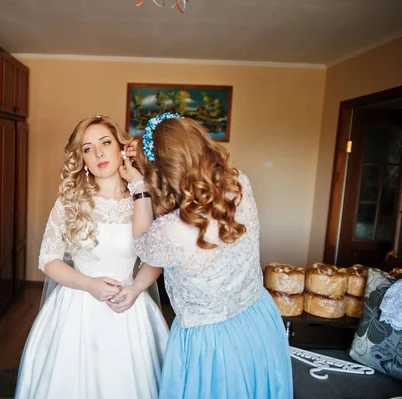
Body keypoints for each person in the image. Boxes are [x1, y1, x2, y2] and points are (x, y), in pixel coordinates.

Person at [123, 113, 293, 398]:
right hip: (259, 318)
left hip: (210, 341)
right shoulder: (239, 184)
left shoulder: (171, 230)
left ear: (161, 171)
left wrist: (140, 188)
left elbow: (142, 244)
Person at [15, 115, 169, 399]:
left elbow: (154, 257)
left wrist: (135, 289)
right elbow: (48, 259)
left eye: (105, 143)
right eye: (87, 148)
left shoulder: (144, 198)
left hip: (129, 307)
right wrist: (89, 284)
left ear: (121, 148)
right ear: (81, 158)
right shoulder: (70, 200)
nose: (98, 153)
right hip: (77, 308)